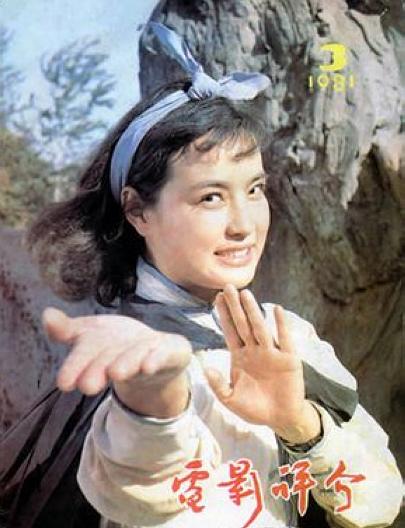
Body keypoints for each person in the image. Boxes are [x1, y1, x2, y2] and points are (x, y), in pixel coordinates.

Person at [24, 23, 402, 528]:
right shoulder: (128, 357)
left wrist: (299, 423)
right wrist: (153, 407)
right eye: (210, 197)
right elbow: (143, 490)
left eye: (255, 189)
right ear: (136, 210)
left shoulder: (285, 334)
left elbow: (383, 500)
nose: (244, 224)